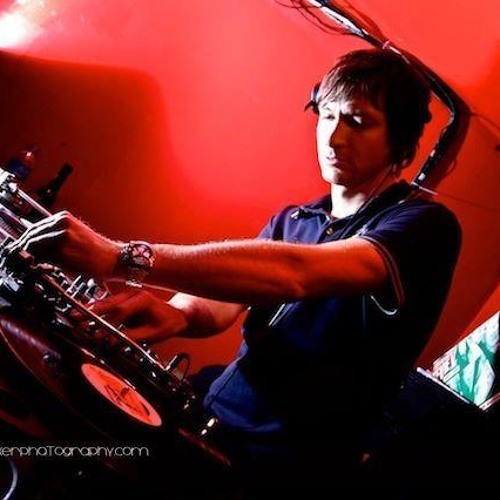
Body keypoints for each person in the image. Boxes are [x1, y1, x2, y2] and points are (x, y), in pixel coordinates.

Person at [10, 48, 461, 494]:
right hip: (211, 418)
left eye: (358, 122)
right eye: (327, 115)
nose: (334, 137)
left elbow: (296, 275)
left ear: (400, 141)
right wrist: (178, 313)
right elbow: (225, 301)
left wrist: (121, 258)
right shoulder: (295, 220)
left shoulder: (423, 224)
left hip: (283, 470)